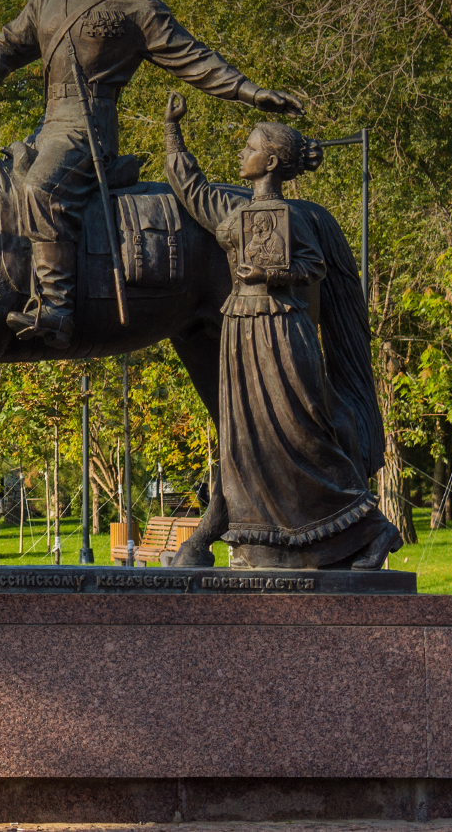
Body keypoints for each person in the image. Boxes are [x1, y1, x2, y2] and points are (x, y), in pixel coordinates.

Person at [0, 0, 302, 347]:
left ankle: (57, 309)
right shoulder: (48, 1)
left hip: (90, 129)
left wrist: (250, 91)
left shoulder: (136, 8)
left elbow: (195, 58)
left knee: (38, 189)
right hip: (49, 127)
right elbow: (5, 44)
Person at [162, 93, 402, 569]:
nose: (241, 155)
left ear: (270, 161)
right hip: (239, 331)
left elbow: (313, 267)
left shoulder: (292, 217)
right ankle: (273, 539)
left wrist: (269, 274)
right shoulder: (232, 214)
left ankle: (374, 530)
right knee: (246, 438)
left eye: (249, 148)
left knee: (301, 431)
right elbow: (190, 188)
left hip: (282, 330)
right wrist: (173, 130)